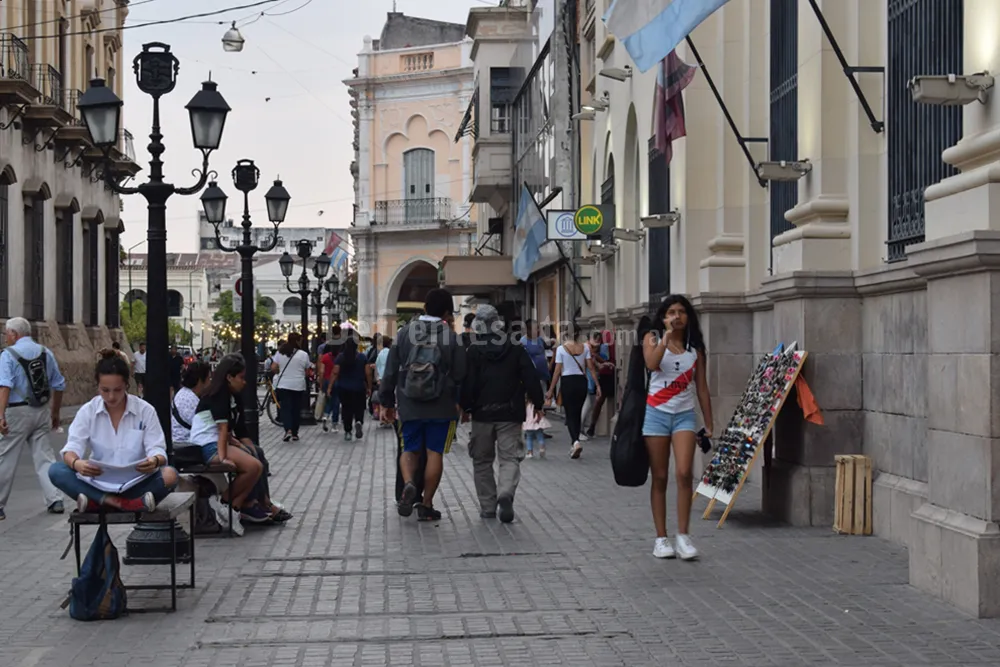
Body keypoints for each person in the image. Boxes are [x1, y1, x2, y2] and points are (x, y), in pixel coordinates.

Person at [48, 350, 178, 514]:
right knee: (56, 471)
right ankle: (117, 502)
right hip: (98, 481)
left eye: (117, 390)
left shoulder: (145, 410)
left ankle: (97, 502)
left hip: (136, 481)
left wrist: (153, 461)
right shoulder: (88, 411)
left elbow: (158, 449)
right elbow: (72, 447)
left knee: (170, 474)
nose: (111, 397)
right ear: (97, 387)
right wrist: (77, 463)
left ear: (126, 386)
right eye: (105, 390)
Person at [380, 288, 466, 521]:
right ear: (447, 312)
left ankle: (409, 484)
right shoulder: (452, 337)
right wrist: (461, 403)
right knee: (434, 452)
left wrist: (385, 400)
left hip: (409, 402)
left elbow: (390, 370)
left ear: (425, 308)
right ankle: (426, 504)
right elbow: (460, 374)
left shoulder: (404, 332)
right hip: (441, 404)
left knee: (410, 448)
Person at [643, 295, 714, 561]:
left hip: (684, 416)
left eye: (682, 312)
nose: (677, 316)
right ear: (663, 317)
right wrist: (665, 336)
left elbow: (702, 388)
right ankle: (661, 539)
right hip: (656, 415)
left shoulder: (695, 349)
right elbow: (652, 364)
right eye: (671, 312)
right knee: (659, 477)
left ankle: (683, 536)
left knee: (684, 473)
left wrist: (709, 422)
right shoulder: (651, 339)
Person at [460, 305, 544, 523]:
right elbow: (530, 375)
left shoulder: (474, 350)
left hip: (482, 414)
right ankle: (505, 492)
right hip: (510, 412)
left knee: (481, 460)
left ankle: (488, 506)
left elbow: (467, 382)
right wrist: (539, 402)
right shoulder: (514, 347)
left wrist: (465, 407)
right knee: (509, 458)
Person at [0, 317, 66, 519]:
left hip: (16, 411)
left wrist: (0, 414)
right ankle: (55, 499)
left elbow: (5, 386)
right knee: (44, 456)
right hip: (41, 410)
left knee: (6, 458)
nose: (5, 337)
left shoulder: (7, 355)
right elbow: (59, 384)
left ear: (14, 334)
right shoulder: (46, 353)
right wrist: (55, 413)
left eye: (6, 333)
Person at [187, 355, 267, 522]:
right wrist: (223, 458)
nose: (244, 382)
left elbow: (229, 431)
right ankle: (224, 502)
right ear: (229, 377)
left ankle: (234, 506)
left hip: (216, 442)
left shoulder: (230, 395)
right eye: (241, 378)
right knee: (253, 466)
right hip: (208, 445)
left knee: (256, 463)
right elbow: (222, 430)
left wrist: (238, 444)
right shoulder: (219, 395)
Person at [546, 323, 600, 459]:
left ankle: (575, 442)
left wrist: (551, 389)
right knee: (577, 412)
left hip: (568, 382)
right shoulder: (585, 347)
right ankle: (574, 442)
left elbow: (557, 371)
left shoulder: (561, 349)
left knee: (570, 414)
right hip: (581, 382)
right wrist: (598, 385)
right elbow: (591, 368)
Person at [270, 332, 311, 442]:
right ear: (298, 341)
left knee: (286, 408)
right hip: (298, 385)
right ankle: (295, 433)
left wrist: (280, 372)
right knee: (296, 409)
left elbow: (273, 367)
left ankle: (287, 430)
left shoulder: (280, 353)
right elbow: (307, 371)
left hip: (283, 384)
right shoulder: (303, 354)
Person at [329, 336, 370, 441]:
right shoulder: (362, 357)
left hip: (344, 387)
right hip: (359, 387)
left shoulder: (341, 357)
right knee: (359, 407)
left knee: (346, 409)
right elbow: (368, 373)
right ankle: (359, 421)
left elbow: (335, 372)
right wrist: (369, 386)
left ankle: (348, 431)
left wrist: (330, 387)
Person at [586, 330, 616, 437]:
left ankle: (592, 426)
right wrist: (603, 363)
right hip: (606, 372)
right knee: (600, 400)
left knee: (601, 401)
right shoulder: (606, 335)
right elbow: (594, 353)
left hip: (610, 371)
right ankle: (592, 426)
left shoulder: (610, 335)